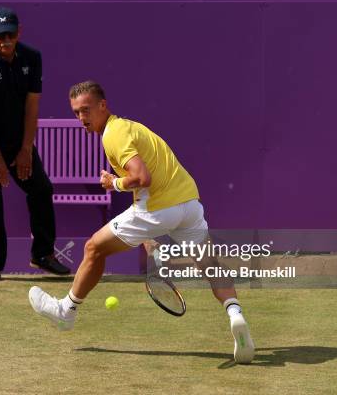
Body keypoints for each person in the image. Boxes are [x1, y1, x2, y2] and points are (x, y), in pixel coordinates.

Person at [28, 81, 255, 363]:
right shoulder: (132, 127)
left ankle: (66, 312)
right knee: (210, 266)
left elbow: (141, 178)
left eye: (86, 110)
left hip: (158, 207)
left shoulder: (113, 135)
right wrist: (149, 237)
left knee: (93, 248)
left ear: (103, 105)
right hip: (189, 204)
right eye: (76, 112)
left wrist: (114, 183)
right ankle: (236, 315)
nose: (81, 118)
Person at [0, 6, 70, 282]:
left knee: (41, 188)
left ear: (19, 32)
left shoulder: (32, 58)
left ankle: (43, 254)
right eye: (0, 36)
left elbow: (32, 107)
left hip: (15, 135)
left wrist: (25, 150)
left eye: (11, 34)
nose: (6, 41)